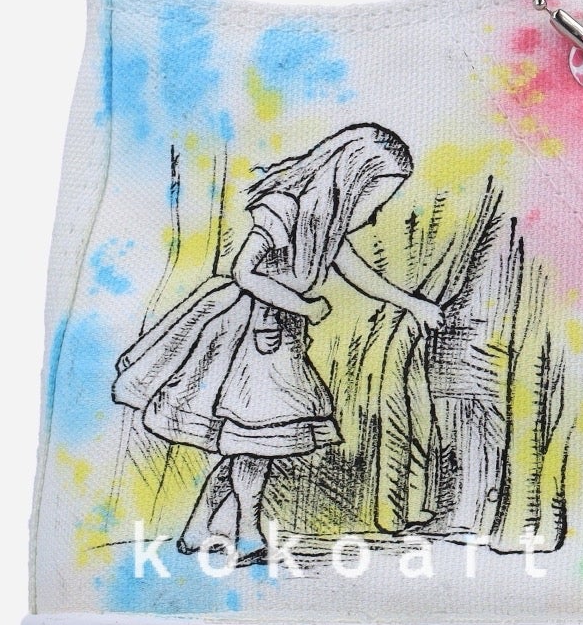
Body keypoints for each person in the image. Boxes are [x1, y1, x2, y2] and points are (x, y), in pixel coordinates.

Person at [111, 123, 443, 560]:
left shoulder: (326, 228)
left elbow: (359, 273)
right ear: (352, 183)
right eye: (375, 201)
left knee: (252, 443)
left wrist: (411, 303)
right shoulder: (285, 208)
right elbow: (244, 271)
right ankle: (248, 532)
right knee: (255, 442)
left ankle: (198, 527)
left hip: (278, 339)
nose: (376, 214)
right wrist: (303, 306)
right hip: (245, 334)